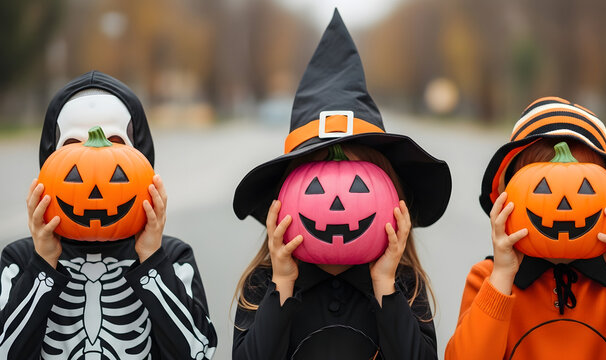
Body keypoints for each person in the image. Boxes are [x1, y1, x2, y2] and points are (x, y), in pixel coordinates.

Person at [231, 10, 451, 360]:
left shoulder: (402, 284)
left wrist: (384, 286)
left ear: (391, 195)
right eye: (315, 187)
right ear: (284, 199)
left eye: (359, 186)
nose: (337, 205)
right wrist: (283, 284)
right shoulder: (265, 282)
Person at [0, 71, 217, 359]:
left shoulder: (172, 257)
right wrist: (42, 264)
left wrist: (152, 259)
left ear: (140, 156)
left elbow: (199, 352)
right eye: (73, 145)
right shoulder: (20, 260)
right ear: (50, 160)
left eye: (114, 141)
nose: (94, 169)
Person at [445, 97, 606, 359]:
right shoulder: (487, 278)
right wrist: (502, 277)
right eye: (543, 188)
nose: (564, 205)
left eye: (586, 188)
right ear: (507, 199)